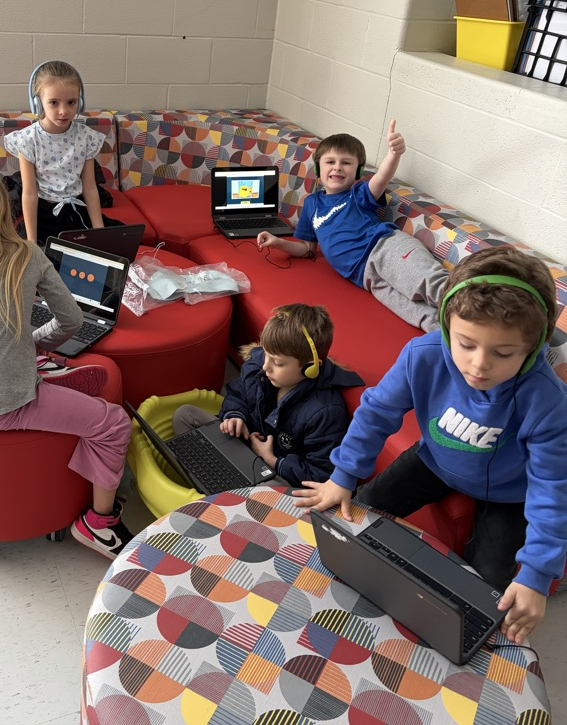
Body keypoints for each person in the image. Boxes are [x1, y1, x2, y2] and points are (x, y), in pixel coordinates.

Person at [296, 247, 567, 645]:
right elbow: (376, 413)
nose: (478, 365)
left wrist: (537, 574)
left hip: (512, 494)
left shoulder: (546, 399)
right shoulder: (423, 355)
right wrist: (343, 476)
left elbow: (552, 487)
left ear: (533, 347)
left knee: (488, 595)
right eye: (466, 344)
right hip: (434, 462)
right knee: (355, 518)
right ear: (446, 324)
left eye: (503, 353)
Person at [0, 158, 134, 559]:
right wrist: (35, 341)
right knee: (115, 423)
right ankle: (97, 525)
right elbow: (70, 320)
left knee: (11, 346)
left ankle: (39, 373)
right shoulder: (30, 255)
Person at [257, 121, 448, 331]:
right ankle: (468, 343)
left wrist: (394, 154)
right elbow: (306, 248)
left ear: (358, 171)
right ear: (318, 168)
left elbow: (382, 178)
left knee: (434, 286)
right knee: (424, 318)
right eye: (330, 161)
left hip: (384, 249)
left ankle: (485, 311)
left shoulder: (358, 194)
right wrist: (278, 243)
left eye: (346, 163)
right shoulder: (311, 204)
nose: (337, 167)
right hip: (365, 278)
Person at [172, 303, 363, 486]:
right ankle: (222, 480)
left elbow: (321, 475)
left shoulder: (325, 411)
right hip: (244, 447)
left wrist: (273, 460)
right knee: (185, 415)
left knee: (270, 489)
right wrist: (235, 417)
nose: (266, 367)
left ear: (311, 368)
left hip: (273, 473)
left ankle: (214, 480)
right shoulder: (260, 371)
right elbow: (237, 396)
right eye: (265, 354)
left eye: (278, 363)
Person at [4, 59, 119, 245]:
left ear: (80, 103)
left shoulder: (86, 137)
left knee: (113, 244)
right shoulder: (27, 140)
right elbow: (29, 193)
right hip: (43, 215)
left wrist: (99, 232)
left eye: (71, 102)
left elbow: (89, 188)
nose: (63, 111)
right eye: (54, 103)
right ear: (38, 103)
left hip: (75, 210)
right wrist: (32, 241)